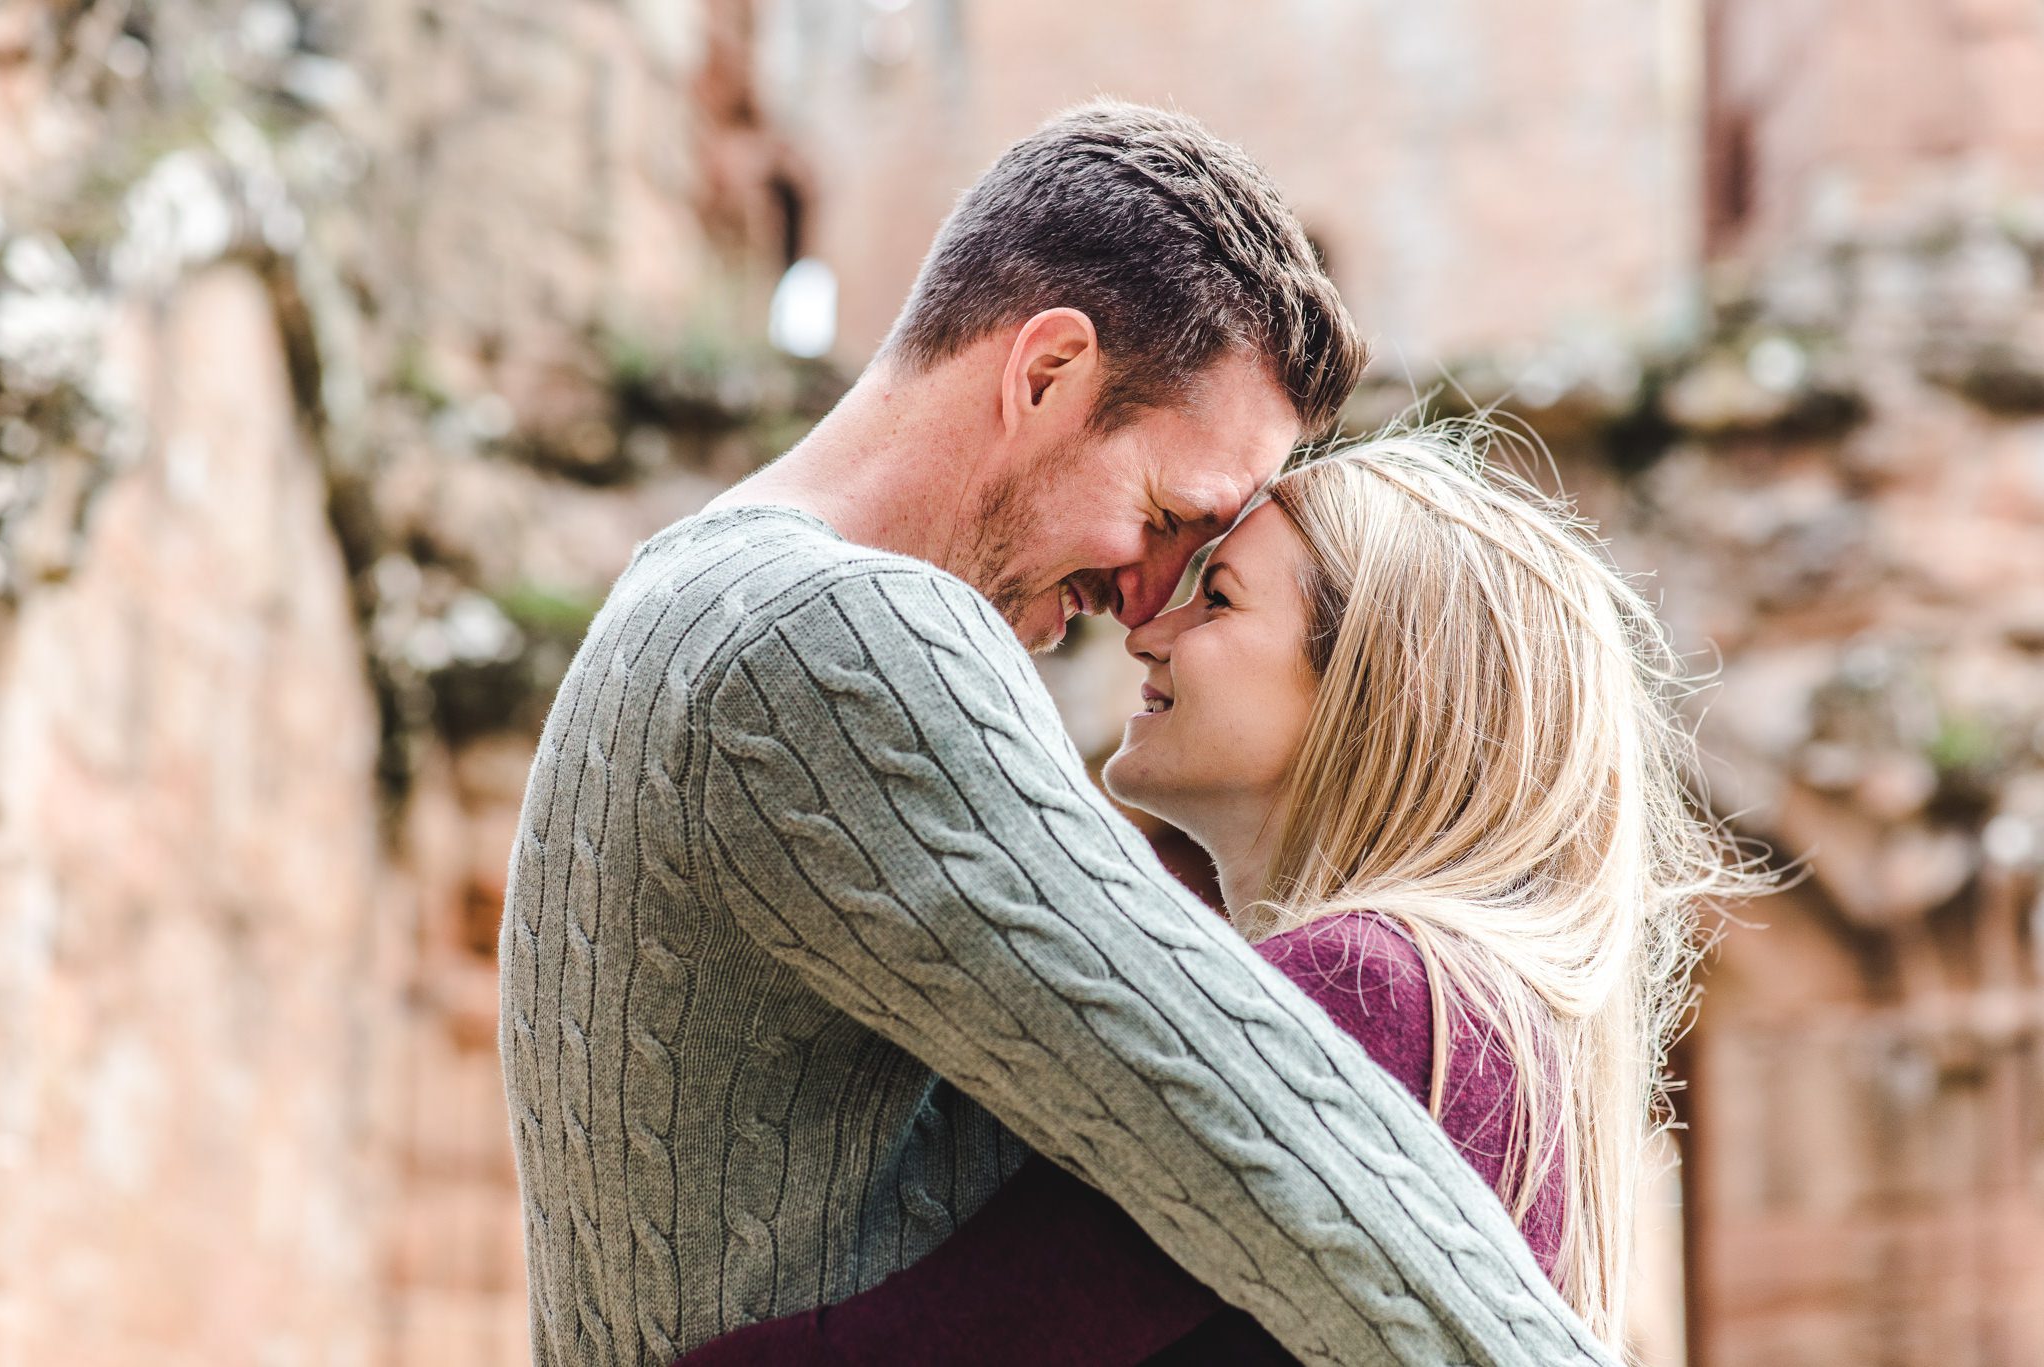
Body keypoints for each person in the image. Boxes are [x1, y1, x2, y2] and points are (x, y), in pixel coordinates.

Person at [499, 100, 1614, 1367]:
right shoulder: (844, 632)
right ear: (1045, 373)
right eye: (1161, 514)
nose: (1142, 597)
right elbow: (1243, 1113)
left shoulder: (687, 594)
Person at [677, 425, 1765, 1365]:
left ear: (1374, 682)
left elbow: (931, 1347)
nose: (1145, 628)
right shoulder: (1467, 1009)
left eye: (1219, 597)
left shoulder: (1368, 990)